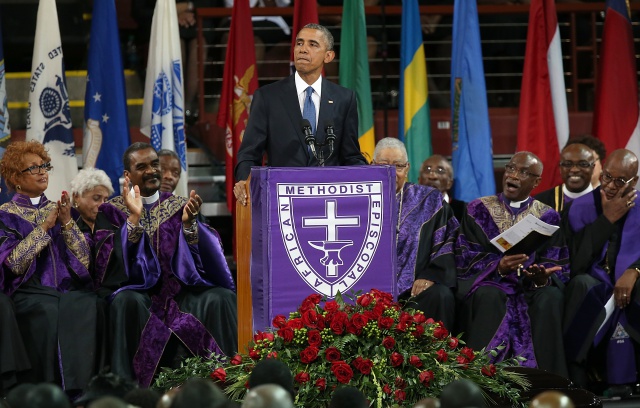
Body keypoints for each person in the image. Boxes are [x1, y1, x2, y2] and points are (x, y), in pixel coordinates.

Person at [106, 142, 237, 387]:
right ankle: (129, 387)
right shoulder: (112, 211)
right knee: (126, 302)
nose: (151, 171)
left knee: (221, 297)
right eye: (141, 166)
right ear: (127, 175)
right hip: (140, 294)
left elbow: (207, 257)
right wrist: (133, 221)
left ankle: (228, 381)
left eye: (154, 164)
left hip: (180, 295)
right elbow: (109, 263)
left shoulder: (179, 206)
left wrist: (189, 226)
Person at [455, 151, 570, 377]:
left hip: (529, 289)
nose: (514, 175)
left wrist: (542, 277)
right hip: (490, 283)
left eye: (524, 172)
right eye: (511, 168)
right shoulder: (478, 210)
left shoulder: (548, 216)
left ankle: (548, 379)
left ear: (537, 182)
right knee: (489, 296)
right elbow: (465, 256)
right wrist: (498, 267)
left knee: (550, 297)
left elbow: (556, 261)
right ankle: (481, 379)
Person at [0, 141, 102, 393]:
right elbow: (13, 263)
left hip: (66, 291)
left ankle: (84, 391)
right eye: (33, 168)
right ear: (16, 178)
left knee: (92, 304)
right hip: (29, 293)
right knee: (49, 310)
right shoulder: (4, 215)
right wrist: (44, 228)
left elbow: (86, 262)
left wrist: (66, 222)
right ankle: (46, 391)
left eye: (44, 165)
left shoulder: (64, 210)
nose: (43, 171)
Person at [234, 23, 367, 205]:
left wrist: (371, 176)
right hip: (280, 200)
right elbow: (249, 153)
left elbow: (350, 155)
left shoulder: (344, 98)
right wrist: (244, 180)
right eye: (299, 43)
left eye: (313, 44)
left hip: (328, 202)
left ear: (328, 56)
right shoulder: (268, 97)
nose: (303, 49)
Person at [564, 149, 640, 393]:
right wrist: (606, 219)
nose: (609, 185)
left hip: (633, 282)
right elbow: (574, 263)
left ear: (634, 181)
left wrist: (634, 271)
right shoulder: (579, 207)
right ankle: (576, 374)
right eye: (607, 176)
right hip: (594, 281)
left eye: (620, 181)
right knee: (581, 286)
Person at [372, 138, 459, 329]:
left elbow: (449, 240)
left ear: (407, 168)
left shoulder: (429, 200)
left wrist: (431, 274)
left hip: (414, 291)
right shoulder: (356, 202)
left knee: (441, 295)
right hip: (369, 289)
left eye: (398, 166)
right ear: (372, 166)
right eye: (384, 165)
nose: (391, 173)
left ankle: (435, 357)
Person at [535, 142, 595, 214]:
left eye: (583, 164)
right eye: (567, 164)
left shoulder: (605, 203)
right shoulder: (540, 203)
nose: (574, 170)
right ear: (560, 168)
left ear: (592, 168)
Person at [419, 154, 466, 220]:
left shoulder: (464, 212)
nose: (433, 176)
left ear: (449, 183)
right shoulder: (407, 211)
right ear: (419, 180)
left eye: (440, 170)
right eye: (427, 170)